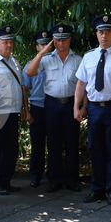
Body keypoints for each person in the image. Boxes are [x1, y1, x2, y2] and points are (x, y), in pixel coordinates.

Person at [75, 15, 111, 204]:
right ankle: (97, 188)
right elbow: (81, 83)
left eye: (108, 32)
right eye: (101, 32)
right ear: (97, 34)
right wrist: (77, 107)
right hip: (94, 109)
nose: (104, 35)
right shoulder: (89, 56)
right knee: (95, 150)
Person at [27, 24, 82, 192]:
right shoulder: (46, 59)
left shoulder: (78, 59)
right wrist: (43, 52)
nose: (60, 43)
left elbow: (83, 84)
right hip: (51, 104)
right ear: (53, 41)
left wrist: (82, 106)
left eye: (64, 39)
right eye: (57, 40)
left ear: (70, 39)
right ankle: (55, 179)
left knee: (72, 142)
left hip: (71, 103)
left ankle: (72, 179)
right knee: (53, 142)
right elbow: (30, 72)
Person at [0, 25, 28, 194]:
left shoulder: (15, 62)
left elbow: (22, 87)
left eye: (10, 42)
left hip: (13, 111)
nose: (9, 45)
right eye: (5, 42)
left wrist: (25, 108)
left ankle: (5, 181)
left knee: (10, 148)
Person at [22, 31, 49, 188]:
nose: (45, 47)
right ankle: (35, 176)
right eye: (42, 45)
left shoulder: (55, 63)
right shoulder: (30, 66)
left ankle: (54, 175)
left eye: (47, 44)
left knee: (54, 143)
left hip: (53, 107)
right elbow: (25, 90)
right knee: (37, 144)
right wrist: (27, 111)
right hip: (37, 108)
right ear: (37, 47)